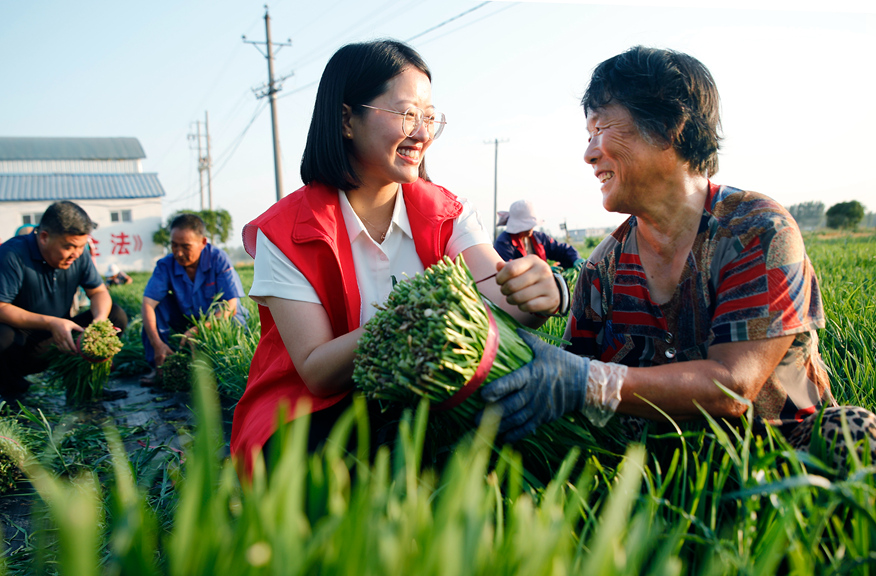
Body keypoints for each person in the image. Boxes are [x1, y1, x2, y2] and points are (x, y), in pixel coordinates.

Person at [481, 46, 876, 467]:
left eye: (601, 129)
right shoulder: (601, 269)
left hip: (783, 458)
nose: (589, 153)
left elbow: (733, 386)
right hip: (659, 470)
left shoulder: (756, 231)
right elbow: (569, 381)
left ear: (670, 128)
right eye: (588, 136)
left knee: (852, 434)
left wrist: (590, 381)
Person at [230, 39, 566, 477]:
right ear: (347, 119)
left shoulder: (447, 213)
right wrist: (420, 315)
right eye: (408, 114)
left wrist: (542, 292)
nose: (423, 133)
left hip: (419, 394)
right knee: (342, 468)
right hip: (310, 411)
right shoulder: (286, 231)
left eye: (429, 117)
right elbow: (317, 371)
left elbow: (501, 293)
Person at [0, 201, 129, 398]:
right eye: (69, 246)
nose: (75, 254)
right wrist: (51, 323)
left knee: (115, 315)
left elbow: (98, 292)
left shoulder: (79, 256)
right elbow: (1, 306)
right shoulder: (12, 254)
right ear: (44, 237)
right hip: (21, 346)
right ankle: (13, 392)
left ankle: (86, 385)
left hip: (65, 340)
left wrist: (99, 321)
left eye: (81, 246)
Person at [140, 213, 248, 384]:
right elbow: (148, 303)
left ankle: (227, 373)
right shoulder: (166, 264)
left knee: (235, 320)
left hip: (218, 319)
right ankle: (159, 366)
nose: (179, 253)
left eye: (185, 246)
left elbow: (231, 305)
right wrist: (156, 342)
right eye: (174, 246)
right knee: (157, 307)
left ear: (203, 243)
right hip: (186, 317)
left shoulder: (218, 259)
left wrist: (199, 330)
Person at [494, 200, 582, 270]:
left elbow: (562, 250)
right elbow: (509, 268)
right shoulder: (504, 242)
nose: (530, 229)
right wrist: (544, 270)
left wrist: (576, 258)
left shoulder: (540, 238)